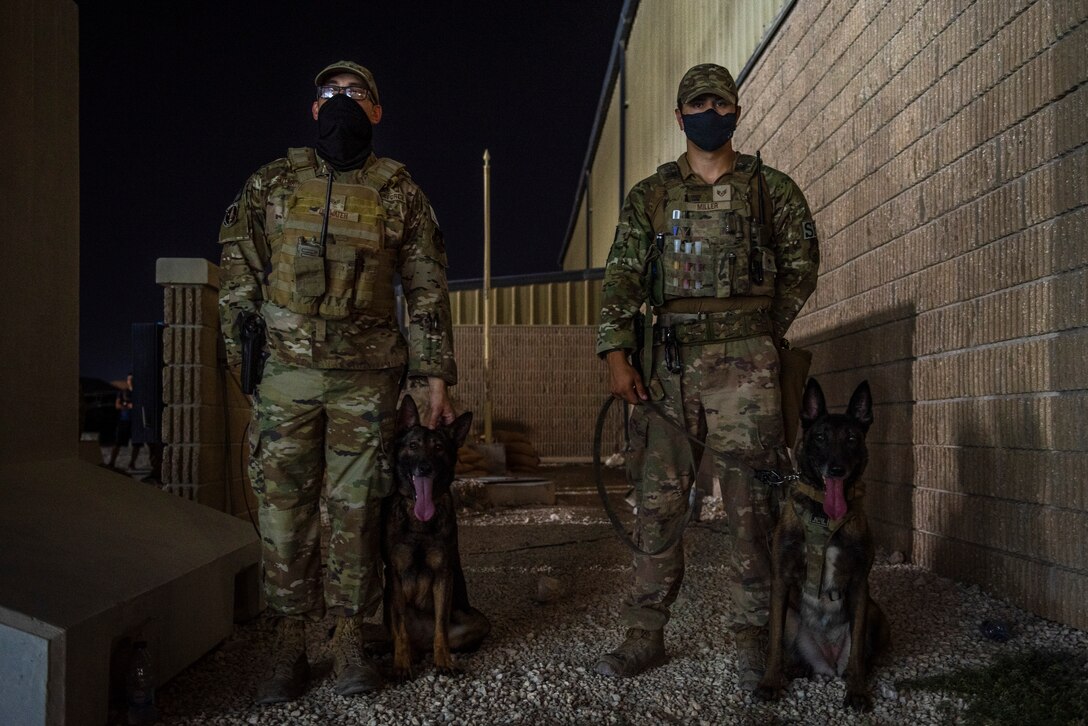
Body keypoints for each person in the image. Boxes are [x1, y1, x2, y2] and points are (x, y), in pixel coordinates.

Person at [217, 60, 457, 704]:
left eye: (358, 95)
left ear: (376, 112)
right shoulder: (272, 182)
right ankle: (288, 642)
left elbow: (428, 285)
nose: (344, 101)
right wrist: (246, 359)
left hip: (366, 383)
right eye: (332, 93)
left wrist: (435, 376)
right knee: (284, 514)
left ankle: (352, 641)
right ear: (314, 109)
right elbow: (238, 271)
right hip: (288, 379)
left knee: (357, 514)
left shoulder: (398, 190)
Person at [594, 63, 819, 690]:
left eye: (720, 102)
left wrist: (762, 331)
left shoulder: (772, 189)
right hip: (667, 370)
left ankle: (755, 637)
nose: (709, 111)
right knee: (659, 504)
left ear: (737, 111)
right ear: (678, 115)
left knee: (755, 507)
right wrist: (617, 351)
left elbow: (803, 264)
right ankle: (645, 633)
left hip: (746, 369)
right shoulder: (651, 196)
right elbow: (621, 278)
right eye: (697, 102)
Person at [107, 373, 142, 470]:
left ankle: (132, 463)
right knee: (118, 442)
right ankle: (111, 462)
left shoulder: (139, 393)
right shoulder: (123, 392)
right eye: (129, 379)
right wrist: (127, 406)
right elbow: (117, 405)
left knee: (136, 444)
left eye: (132, 379)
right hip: (124, 420)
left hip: (136, 422)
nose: (130, 381)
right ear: (127, 381)